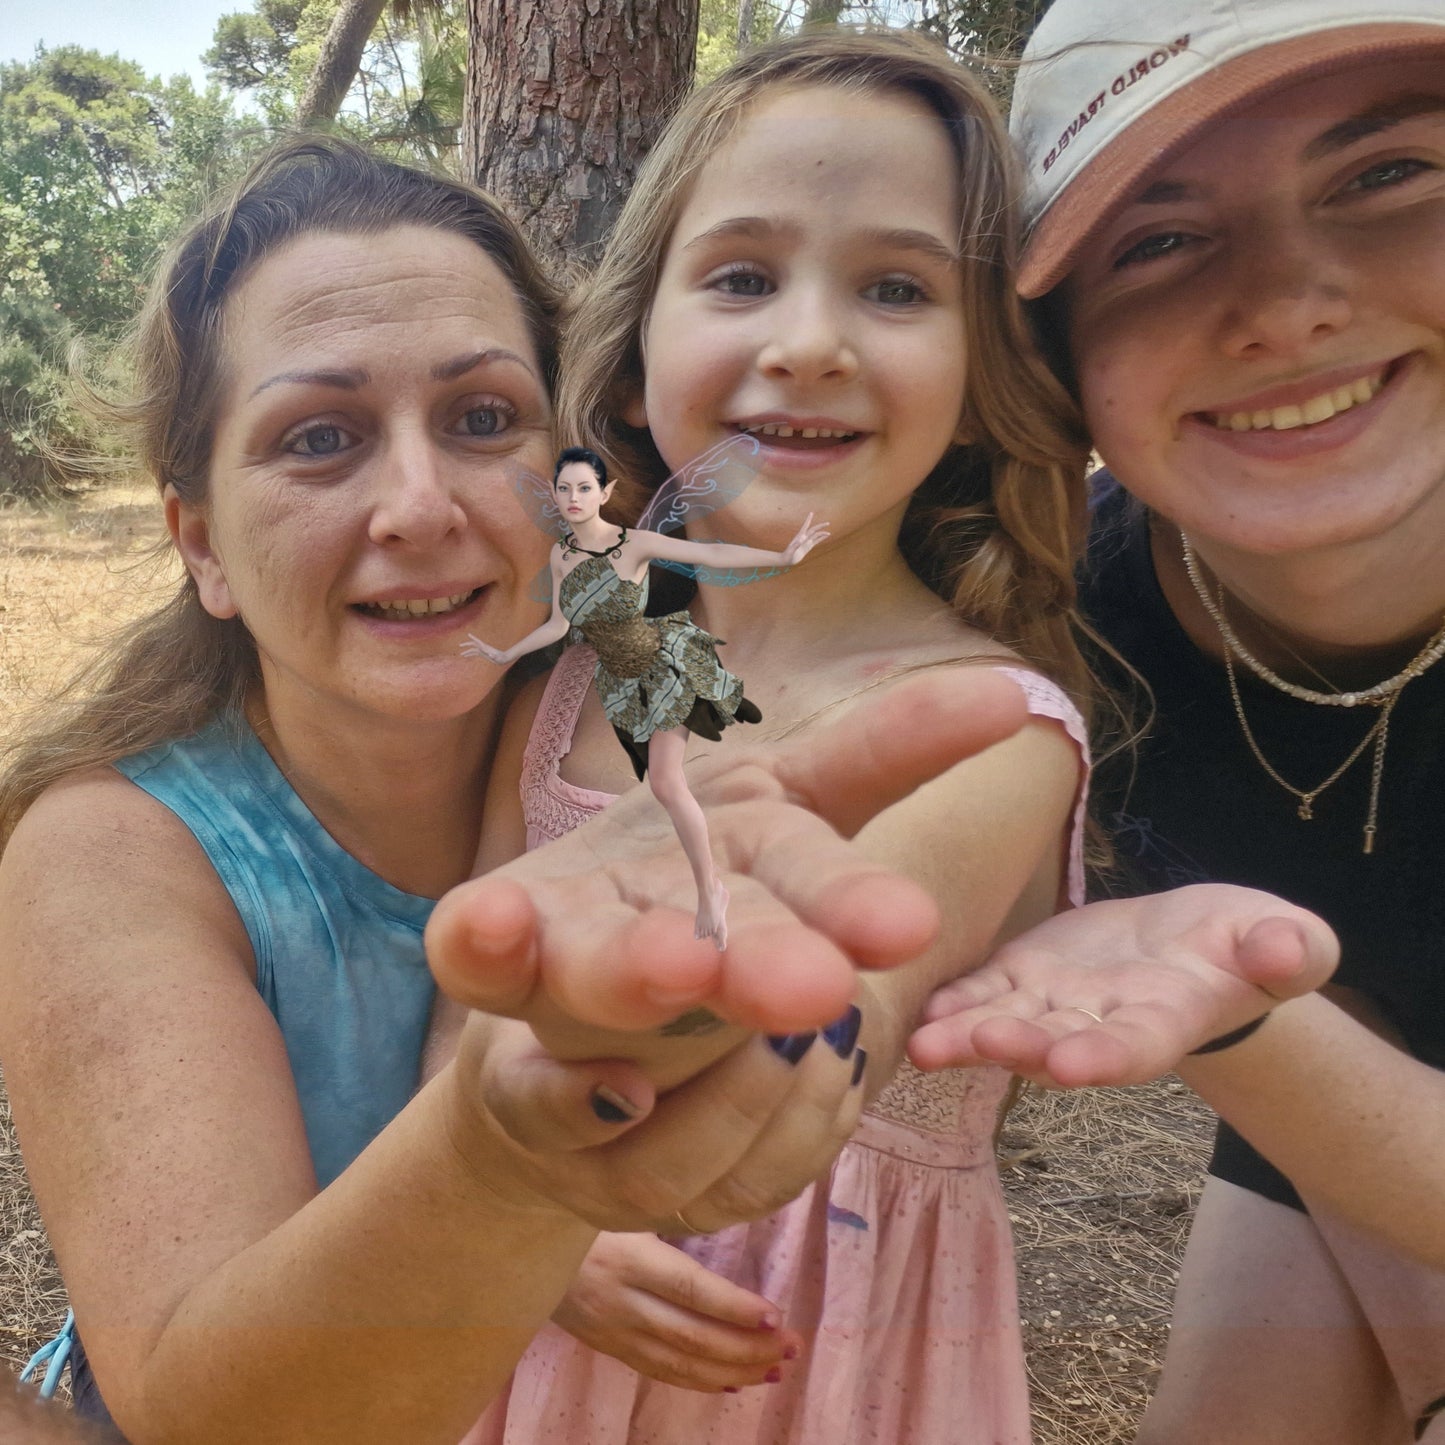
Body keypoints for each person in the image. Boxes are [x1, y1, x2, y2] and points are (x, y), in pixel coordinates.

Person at [0, 135, 1033, 1445]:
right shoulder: (116, 850)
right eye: (318, 439)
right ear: (202, 541)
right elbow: (210, 1414)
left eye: (484, 418)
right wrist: (509, 1194)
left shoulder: (613, 723)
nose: (420, 506)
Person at [455, 30, 1094, 1445]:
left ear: (985, 370)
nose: (809, 342)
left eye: (896, 286)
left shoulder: (994, 731)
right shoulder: (570, 681)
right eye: (742, 276)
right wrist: (514, 1221)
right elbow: (471, 1014)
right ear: (631, 359)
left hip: (817, 1364)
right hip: (522, 1311)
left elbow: (809, 1030)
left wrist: (563, 1181)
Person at [915, 1, 1445, 1440]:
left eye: (1384, 175)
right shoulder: (1051, 636)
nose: (1284, 304)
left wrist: (1247, 1025)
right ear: (1054, 356)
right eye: (1155, 240)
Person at [460, 443, 827, 947]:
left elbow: (709, 553)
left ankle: (708, 893)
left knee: (667, 785)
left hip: (661, 665)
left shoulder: (632, 545)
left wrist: (782, 555)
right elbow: (559, 624)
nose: (574, 498)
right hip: (614, 677)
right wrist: (506, 654)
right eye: (564, 489)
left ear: (605, 492)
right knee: (659, 788)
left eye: (585, 488)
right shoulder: (563, 554)